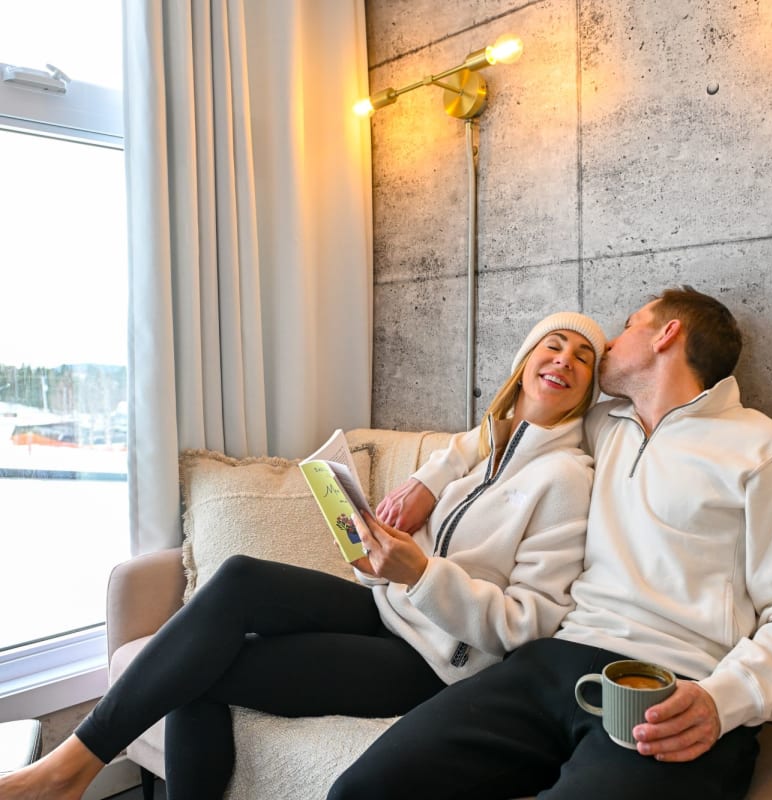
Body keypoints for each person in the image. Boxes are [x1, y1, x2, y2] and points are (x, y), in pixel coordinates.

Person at [0, 311, 606, 800]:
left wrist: (421, 573)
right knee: (237, 579)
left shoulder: (566, 478)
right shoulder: (482, 447)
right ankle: (70, 766)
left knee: (197, 673)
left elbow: (530, 626)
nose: (565, 361)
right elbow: (460, 463)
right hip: (389, 609)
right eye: (553, 346)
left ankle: (64, 774)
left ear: (589, 388)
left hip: (438, 663)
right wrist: (381, 554)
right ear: (525, 361)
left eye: (583, 359)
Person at [328, 286, 772, 800]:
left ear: (667, 334)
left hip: (674, 684)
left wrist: (722, 700)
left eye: (627, 325)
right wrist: (428, 480)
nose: (608, 346)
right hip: (552, 662)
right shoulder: (601, 427)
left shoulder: (767, 449)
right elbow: (504, 426)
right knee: (361, 790)